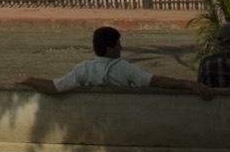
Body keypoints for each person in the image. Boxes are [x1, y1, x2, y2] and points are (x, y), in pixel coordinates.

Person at [16, 25, 214, 98]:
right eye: (119, 44)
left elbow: (54, 87)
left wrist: (28, 79)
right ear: (110, 48)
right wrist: (189, 84)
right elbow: (157, 82)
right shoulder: (124, 69)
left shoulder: (83, 70)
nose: (121, 47)